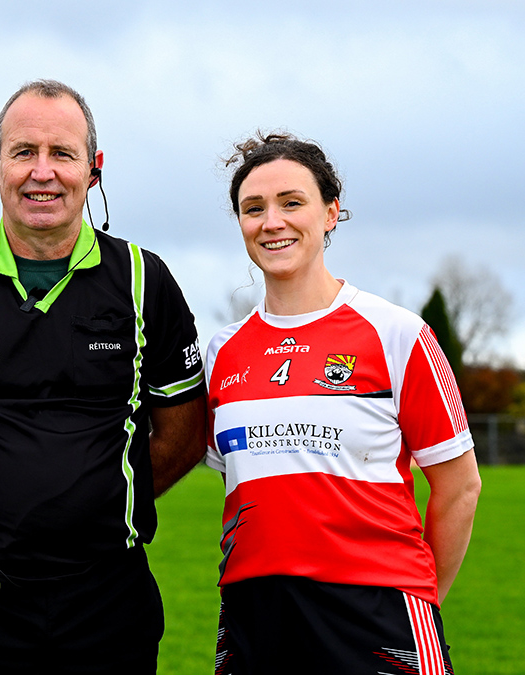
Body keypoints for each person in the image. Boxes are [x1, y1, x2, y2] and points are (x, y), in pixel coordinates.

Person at [0, 79, 207, 674]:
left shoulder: (144, 279)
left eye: (63, 154)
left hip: (107, 599)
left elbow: (183, 431)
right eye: (24, 152)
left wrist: (103, 501)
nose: (42, 172)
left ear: (94, 169)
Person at [205, 132, 482, 675]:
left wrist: (419, 601)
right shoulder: (221, 351)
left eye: (292, 202)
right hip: (253, 613)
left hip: (376, 613)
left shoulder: (397, 333)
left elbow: (460, 486)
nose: (272, 222)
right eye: (253, 208)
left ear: (331, 213)